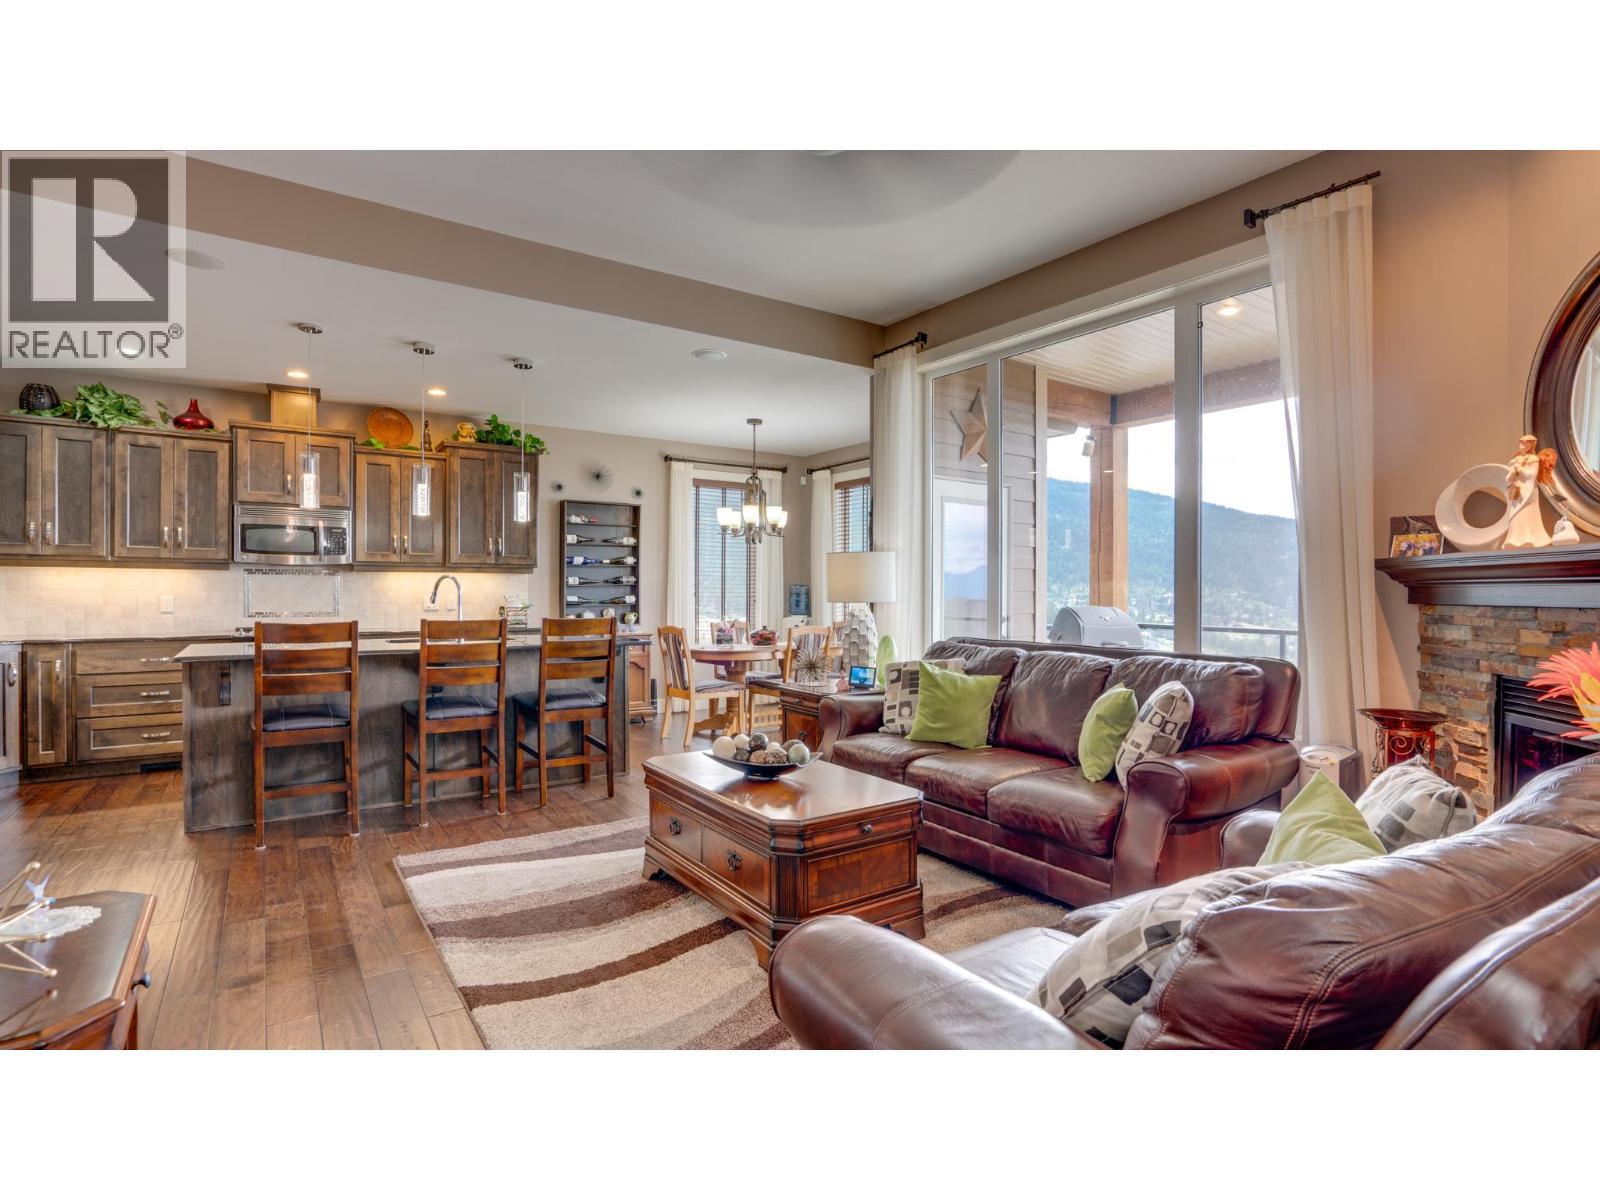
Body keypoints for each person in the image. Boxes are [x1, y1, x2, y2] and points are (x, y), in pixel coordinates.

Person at [1504, 434, 1556, 548]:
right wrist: (1512, 473)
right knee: (1515, 514)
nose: (1522, 445)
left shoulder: (1533, 459)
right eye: (1521, 442)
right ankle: (1514, 539)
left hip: (1528, 490)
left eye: (1525, 443)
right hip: (1517, 491)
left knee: (1526, 513)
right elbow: (1507, 479)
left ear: (1531, 445)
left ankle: (1529, 538)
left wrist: (1520, 469)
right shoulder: (1514, 460)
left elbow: (1532, 475)